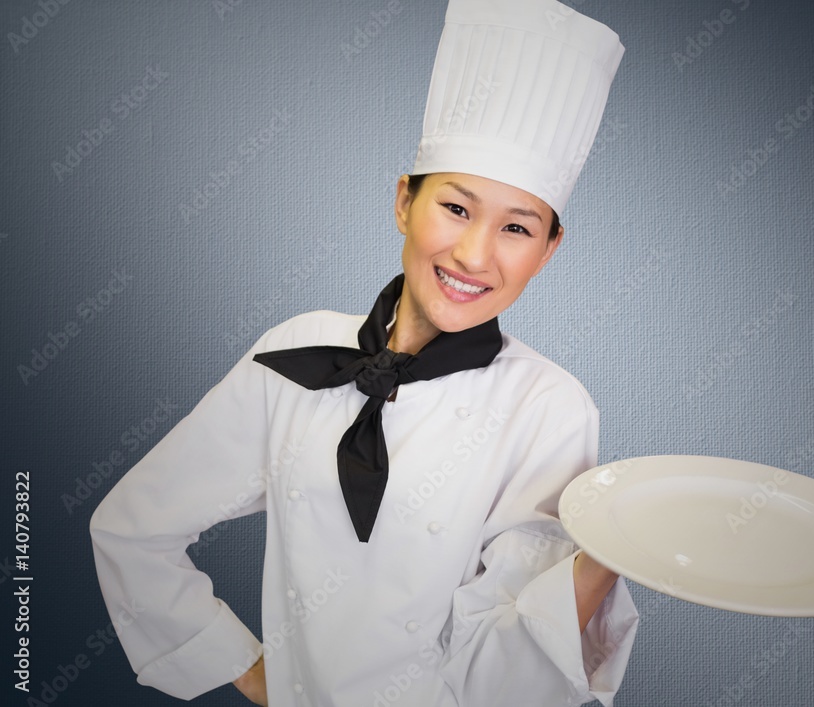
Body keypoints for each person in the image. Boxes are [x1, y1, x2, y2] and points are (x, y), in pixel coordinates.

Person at [90, 0, 638, 705]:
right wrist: (251, 671)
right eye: (456, 208)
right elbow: (133, 527)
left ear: (548, 249)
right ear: (405, 201)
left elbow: (507, 678)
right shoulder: (295, 351)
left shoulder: (550, 409)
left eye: (517, 227)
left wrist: (612, 555)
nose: (474, 254)